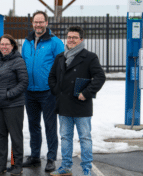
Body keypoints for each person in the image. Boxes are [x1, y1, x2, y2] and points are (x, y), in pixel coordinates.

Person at [48, 26, 106, 176]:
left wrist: (86, 93)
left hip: (81, 104)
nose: (71, 40)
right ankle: (66, 167)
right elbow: (52, 77)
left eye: (74, 37)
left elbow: (100, 77)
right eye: (69, 37)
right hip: (64, 104)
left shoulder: (89, 57)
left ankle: (86, 168)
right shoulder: (60, 57)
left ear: (81, 39)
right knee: (65, 137)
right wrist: (57, 91)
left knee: (85, 138)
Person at [21, 10, 64, 172]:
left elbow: (62, 66)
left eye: (41, 22)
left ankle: (51, 158)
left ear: (46, 23)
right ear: (32, 23)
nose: (38, 25)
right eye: (35, 22)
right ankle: (34, 156)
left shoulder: (55, 42)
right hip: (29, 91)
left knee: (50, 126)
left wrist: (56, 87)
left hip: (48, 92)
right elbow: (23, 63)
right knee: (33, 125)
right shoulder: (26, 42)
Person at [0, 34, 29, 176]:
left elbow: (23, 83)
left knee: (15, 136)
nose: (4, 47)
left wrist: (8, 95)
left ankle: (17, 165)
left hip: (13, 105)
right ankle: (1, 165)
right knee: (0, 135)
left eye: (7, 44)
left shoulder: (18, 61)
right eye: (2, 44)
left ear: (12, 46)